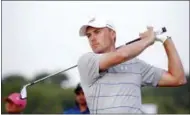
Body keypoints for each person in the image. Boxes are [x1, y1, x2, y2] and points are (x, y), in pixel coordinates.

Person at [77, 17, 187, 113]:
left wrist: (166, 40)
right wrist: (148, 40)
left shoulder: (136, 64)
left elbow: (178, 79)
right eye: (88, 35)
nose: (92, 38)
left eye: (97, 32)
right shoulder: (86, 61)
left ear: (112, 34)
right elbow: (122, 55)